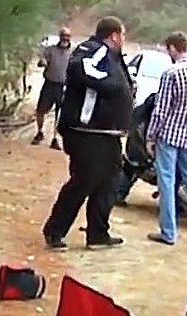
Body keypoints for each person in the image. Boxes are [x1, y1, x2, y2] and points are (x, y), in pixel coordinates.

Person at [41, 16, 134, 250]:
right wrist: (113, 84)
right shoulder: (93, 49)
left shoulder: (113, 57)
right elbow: (80, 67)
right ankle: (54, 231)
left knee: (110, 182)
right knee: (84, 181)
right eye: (122, 35)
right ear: (114, 35)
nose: (124, 39)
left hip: (108, 134)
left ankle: (98, 234)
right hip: (87, 132)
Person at [144, 31, 187, 246]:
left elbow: (161, 110)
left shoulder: (171, 74)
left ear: (173, 48)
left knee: (167, 182)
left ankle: (169, 232)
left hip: (170, 136)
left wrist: (151, 136)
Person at [33, 27, 71, 149]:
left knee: (59, 115)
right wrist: (42, 62)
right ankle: (39, 132)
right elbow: (41, 61)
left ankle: (55, 139)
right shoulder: (50, 50)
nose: (65, 38)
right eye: (63, 35)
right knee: (40, 110)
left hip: (64, 87)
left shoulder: (73, 52)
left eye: (67, 36)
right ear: (60, 36)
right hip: (49, 84)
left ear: (70, 37)